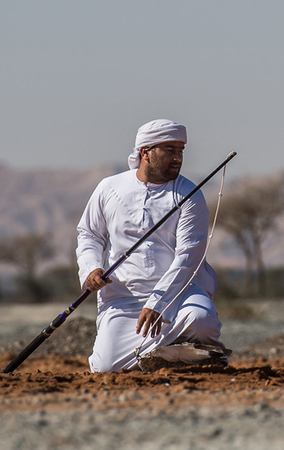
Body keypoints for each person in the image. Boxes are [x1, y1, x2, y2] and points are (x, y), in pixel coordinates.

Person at [76, 119, 225, 372]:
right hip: (124, 298)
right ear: (145, 152)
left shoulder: (190, 195)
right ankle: (178, 355)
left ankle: (193, 354)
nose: (178, 158)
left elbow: (188, 256)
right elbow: (89, 235)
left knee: (201, 319)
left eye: (181, 151)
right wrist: (91, 269)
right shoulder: (109, 188)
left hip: (180, 293)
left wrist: (157, 303)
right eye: (170, 151)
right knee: (104, 368)